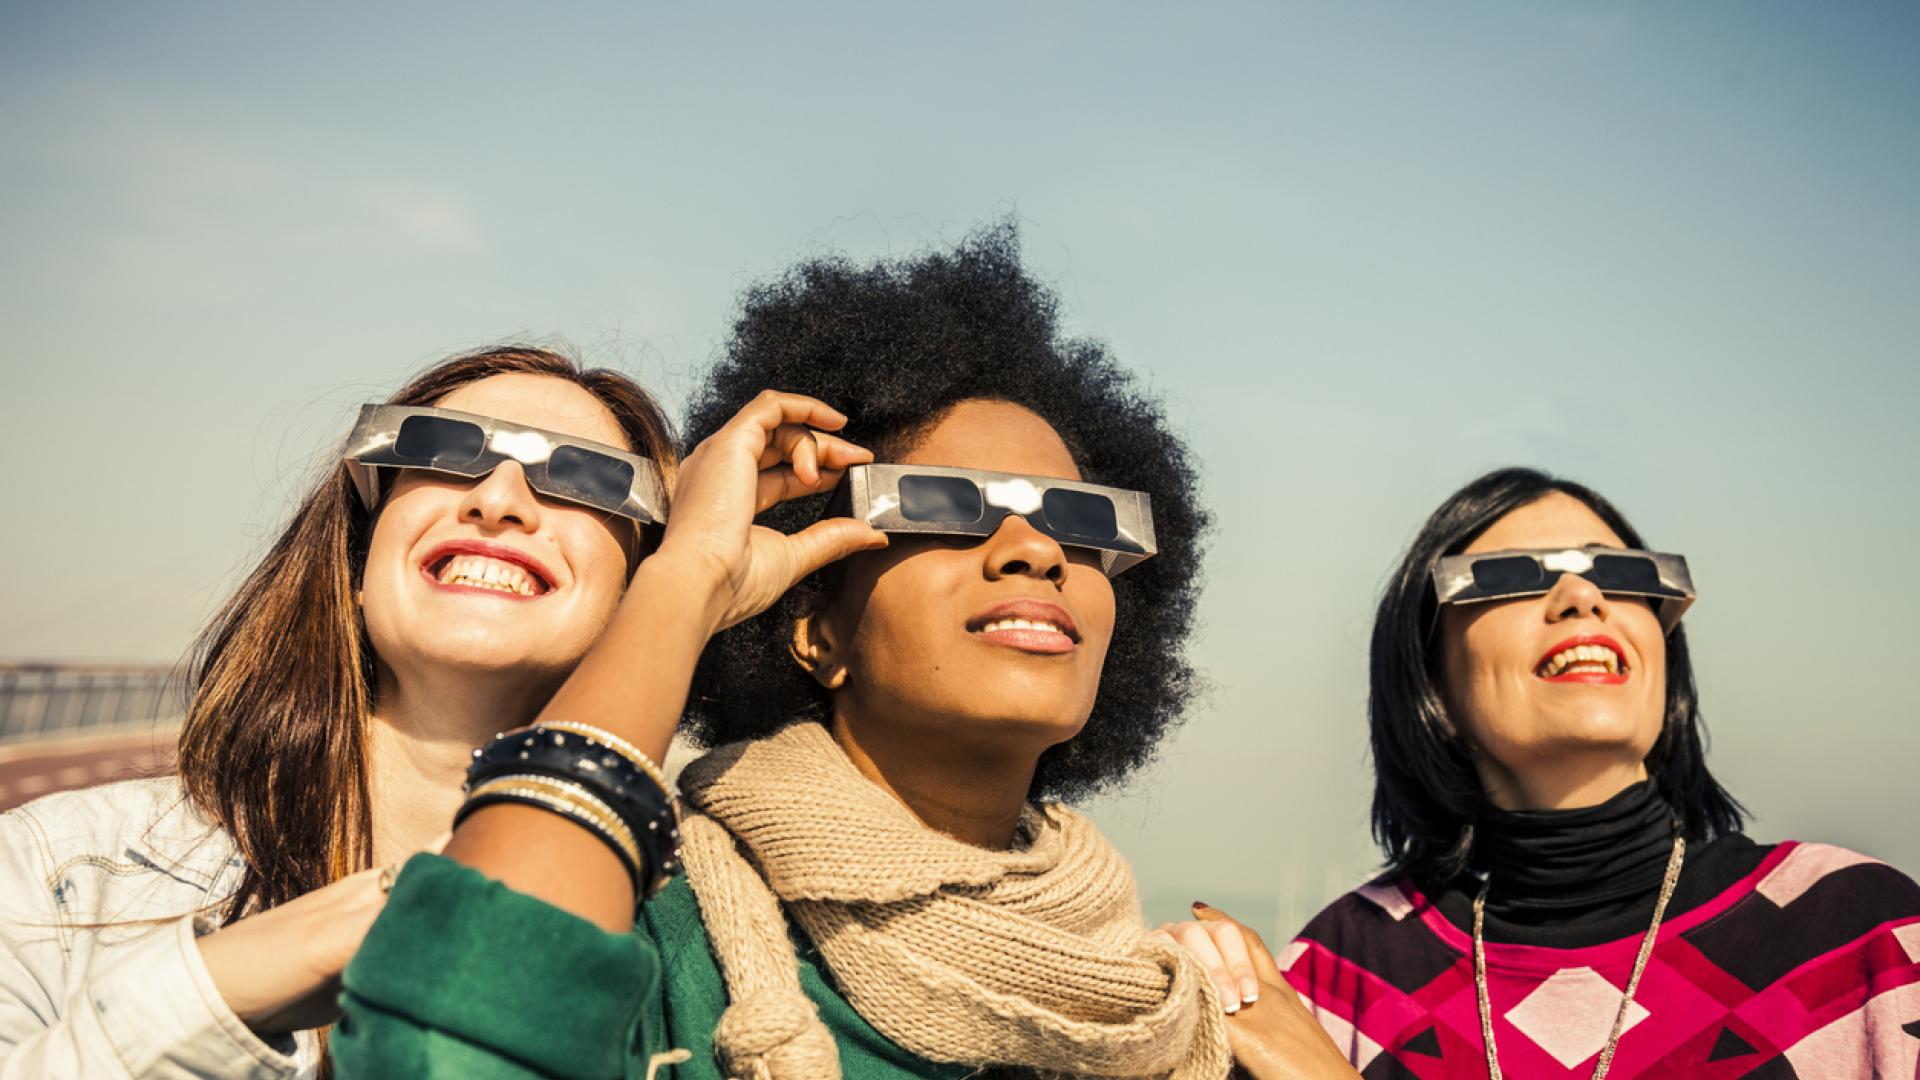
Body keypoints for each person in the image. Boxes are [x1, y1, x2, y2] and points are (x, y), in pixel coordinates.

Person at [333, 227, 1356, 1078]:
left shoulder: (1173, 1015)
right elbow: (455, 1038)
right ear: (814, 630)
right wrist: (687, 576)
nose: (1035, 550)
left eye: (1079, 521)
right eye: (943, 508)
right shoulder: (656, 932)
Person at [0, 346, 679, 1077]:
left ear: (640, 591)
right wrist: (218, 990)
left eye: (585, 475)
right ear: (358, 558)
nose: (498, 499)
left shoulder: (713, 940)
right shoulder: (53, 871)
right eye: (441, 447)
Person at [1165, 468, 1920, 1078]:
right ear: (1432, 681)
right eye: (1511, 577)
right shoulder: (1343, 971)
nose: (1581, 598)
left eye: (1621, 573)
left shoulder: (1858, 934)